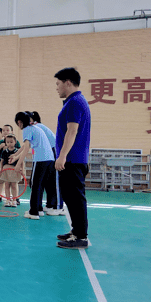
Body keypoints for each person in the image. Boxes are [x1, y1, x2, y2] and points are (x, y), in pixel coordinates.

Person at [54, 68, 91, 249]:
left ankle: (81, 236)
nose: (57, 87)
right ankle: (76, 231)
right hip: (73, 159)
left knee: (75, 198)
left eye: (58, 83)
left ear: (68, 82)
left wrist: (62, 156)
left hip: (73, 159)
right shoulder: (73, 102)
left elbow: (72, 130)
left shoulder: (75, 102)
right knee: (69, 196)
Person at [9, 112, 55, 220]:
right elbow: (26, 145)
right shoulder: (34, 127)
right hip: (50, 159)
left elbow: (26, 149)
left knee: (34, 185)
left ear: (19, 122)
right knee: (40, 184)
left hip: (41, 159)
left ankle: (33, 212)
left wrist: (18, 164)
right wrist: (15, 156)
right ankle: (38, 209)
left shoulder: (27, 129)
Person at [29, 111, 63, 215]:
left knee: (54, 181)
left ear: (33, 120)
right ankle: (49, 205)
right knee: (46, 181)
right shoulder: (35, 128)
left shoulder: (37, 127)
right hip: (47, 154)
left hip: (54, 152)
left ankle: (58, 207)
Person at [0, 134, 21, 207]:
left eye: (11, 142)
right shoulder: (4, 151)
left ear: (15, 142)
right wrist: (1, 168)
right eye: (7, 142)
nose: (9, 143)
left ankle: (14, 200)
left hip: (14, 169)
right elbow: (1, 161)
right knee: (7, 185)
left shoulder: (17, 151)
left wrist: (22, 169)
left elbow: (21, 161)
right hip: (6, 169)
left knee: (14, 185)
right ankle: (8, 200)